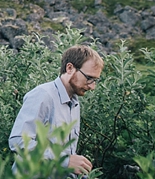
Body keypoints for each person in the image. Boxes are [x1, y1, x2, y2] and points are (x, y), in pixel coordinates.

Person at [9, 45, 104, 176]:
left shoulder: (74, 103)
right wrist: (65, 161)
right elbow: (18, 141)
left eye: (95, 80)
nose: (92, 86)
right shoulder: (43, 95)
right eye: (89, 78)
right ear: (69, 68)